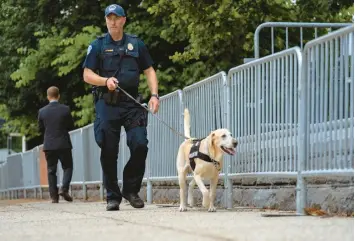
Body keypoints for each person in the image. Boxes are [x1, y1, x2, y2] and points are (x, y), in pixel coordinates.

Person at [82, 3, 160, 211]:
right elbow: (87, 74)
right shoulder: (97, 45)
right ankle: (112, 196)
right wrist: (104, 81)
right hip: (107, 104)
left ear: (124, 20)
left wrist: (154, 95)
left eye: (117, 18)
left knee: (140, 144)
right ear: (106, 20)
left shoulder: (136, 44)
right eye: (110, 18)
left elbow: (150, 70)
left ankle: (131, 189)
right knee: (109, 150)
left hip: (132, 103)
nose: (113, 22)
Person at [38, 86, 75, 203]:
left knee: (51, 170)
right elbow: (71, 125)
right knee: (68, 167)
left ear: (48, 97)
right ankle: (64, 189)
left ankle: (54, 197)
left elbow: (40, 129)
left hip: (49, 145)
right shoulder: (65, 109)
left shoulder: (42, 111)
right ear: (59, 96)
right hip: (64, 143)